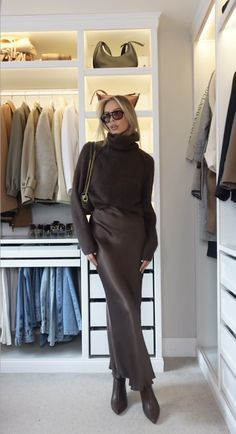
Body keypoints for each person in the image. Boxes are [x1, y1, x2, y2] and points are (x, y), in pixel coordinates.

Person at [71, 95, 160, 424]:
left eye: (117, 113)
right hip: (104, 239)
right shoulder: (92, 153)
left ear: (130, 114)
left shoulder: (145, 161)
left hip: (135, 239)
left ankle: (119, 377)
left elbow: (146, 208)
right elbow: (75, 199)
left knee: (126, 308)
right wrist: (86, 242)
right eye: (105, 115)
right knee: (123, 305)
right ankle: (145, 383)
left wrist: (150, 244)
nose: (111, 119)